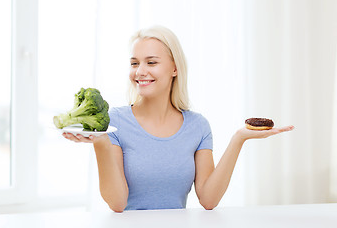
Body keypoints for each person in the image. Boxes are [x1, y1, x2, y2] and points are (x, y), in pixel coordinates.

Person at [63, 25, 294, 212]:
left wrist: (238, 139)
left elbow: (209, 199)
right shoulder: (115, 121)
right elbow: (117, 203)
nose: (140, 71)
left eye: (151, 62)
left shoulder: (198, 126)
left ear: (174, 68)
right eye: (135, 63)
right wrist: (101, 142)